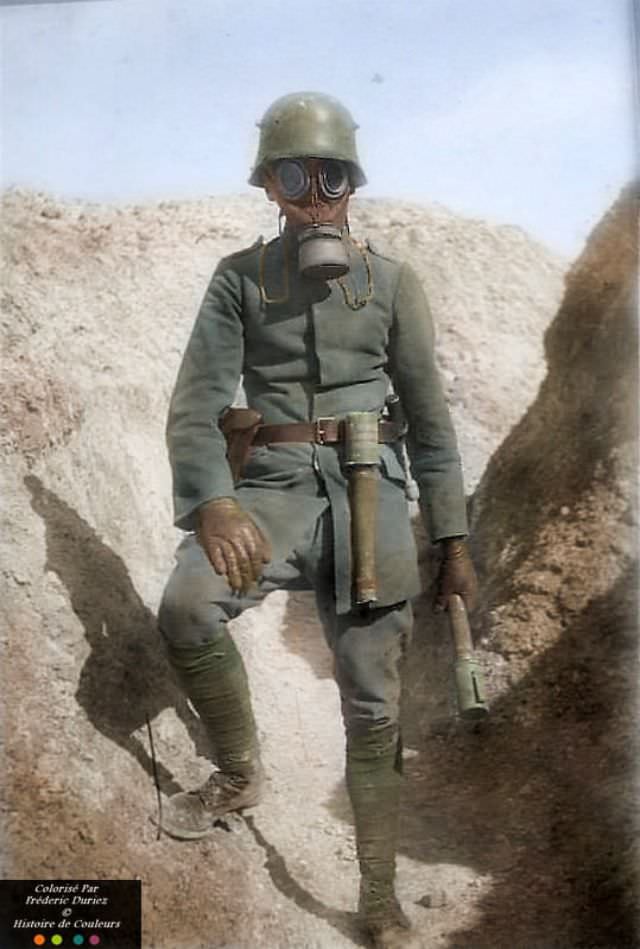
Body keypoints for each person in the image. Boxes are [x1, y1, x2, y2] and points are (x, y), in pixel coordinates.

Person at [157, 91, 477, 949]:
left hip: (370, 495)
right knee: (186, 608)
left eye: (331, 179)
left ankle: (378, 896)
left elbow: (433, 420)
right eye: (296, 179)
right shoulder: (238, 279)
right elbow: (195, 406)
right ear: (269, 187)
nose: (315, 199)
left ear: (353, 185)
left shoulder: (393, 284)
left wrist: (452, 539)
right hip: (268, 491)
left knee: (374, 700)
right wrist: (214, 501)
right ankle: (238, 772)